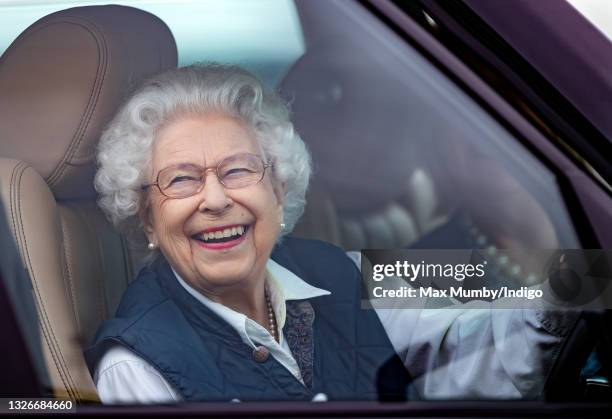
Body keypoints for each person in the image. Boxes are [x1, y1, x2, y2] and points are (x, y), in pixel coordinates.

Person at [85, 63, 577, 404]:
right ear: (148, 219)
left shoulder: (339, 268)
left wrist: (584, 280)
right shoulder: (135, 367)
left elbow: (472, 344)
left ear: (279, 189)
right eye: (182, 179)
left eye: (238, 170)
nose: (214, 199)